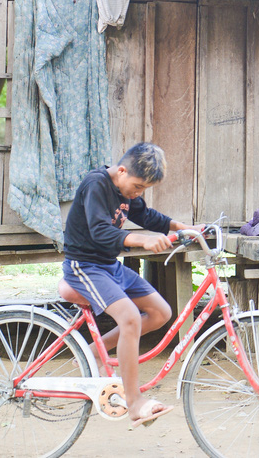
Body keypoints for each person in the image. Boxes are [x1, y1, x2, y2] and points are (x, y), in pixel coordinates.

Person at [59, 142, 204, 428]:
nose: (137, 194)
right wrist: (142, 240)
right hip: (84, 265)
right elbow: (100, 231)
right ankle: (135, 400)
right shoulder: (96, 184)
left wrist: (182, 227)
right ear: (122, 170)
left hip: (109, 266)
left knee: (161, 313)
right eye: (136, 187)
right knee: (128, 319)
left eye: (142, 190)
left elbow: (146, 216)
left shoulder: (128, 190)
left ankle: (92, 350)